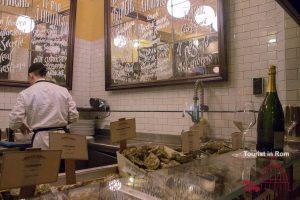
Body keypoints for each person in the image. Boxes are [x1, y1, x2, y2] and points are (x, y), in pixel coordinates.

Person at [9, 63, 79, 149]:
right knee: (61, 162)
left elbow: (14, 121)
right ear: (44, 74)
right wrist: (58, 123)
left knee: (43, 162)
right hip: (62, 138)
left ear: (31, 75)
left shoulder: (25, 93)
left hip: (41, 140)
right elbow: (74, 116)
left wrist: (19, 125)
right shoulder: (63, 91)